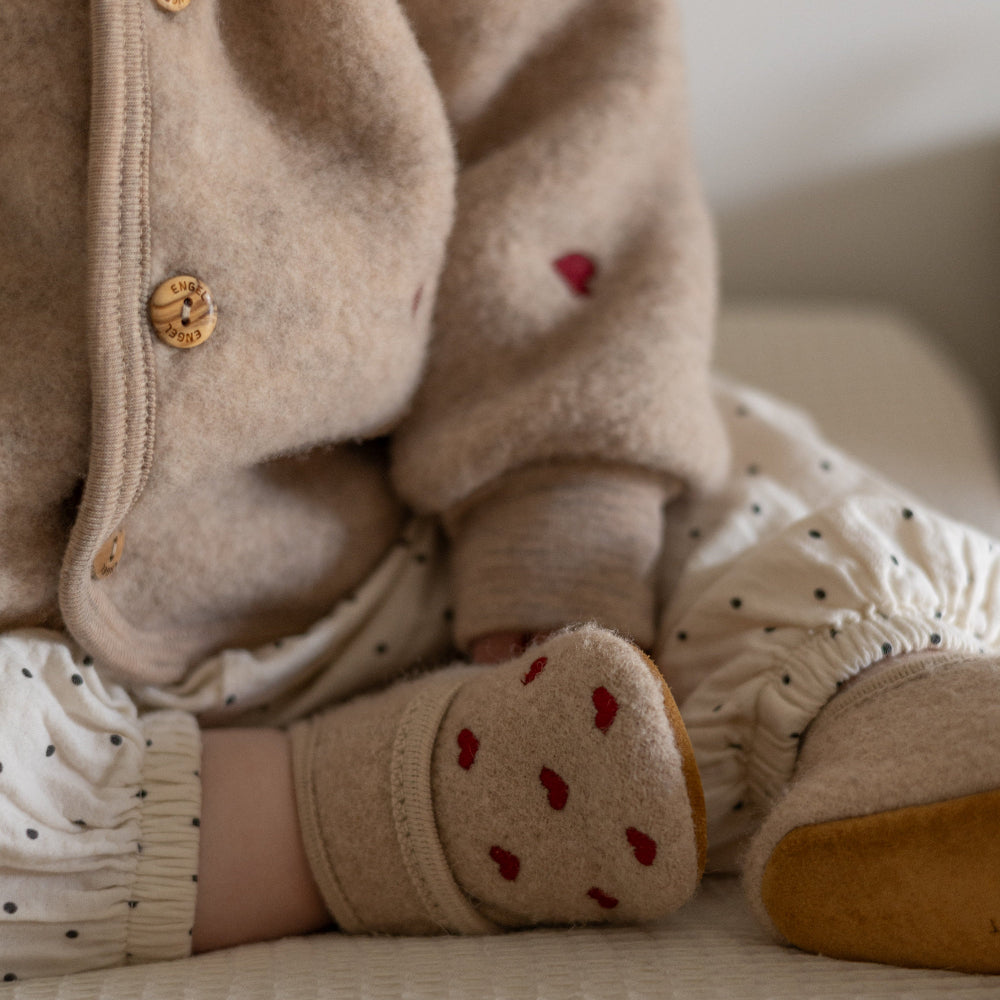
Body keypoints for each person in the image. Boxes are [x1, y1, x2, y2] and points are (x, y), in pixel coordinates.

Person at [1, 0, 997, 983]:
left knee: (708, 456)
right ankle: (388, 810)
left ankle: (891, 707)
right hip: (24, 670)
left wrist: (557, 534)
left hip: (395, 542)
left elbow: (554, 107)